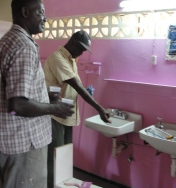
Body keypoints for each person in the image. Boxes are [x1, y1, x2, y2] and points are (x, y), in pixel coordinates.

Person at [0, 0, 75, 188]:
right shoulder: (23, 46)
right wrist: (54, 108)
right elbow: (17, 105)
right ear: (25, 12)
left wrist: (43, 97)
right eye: (40, 12)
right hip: (24, 144)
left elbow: (10, 91)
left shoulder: (7, 41)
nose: (45, 18)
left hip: (10, 140)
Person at [44, 30, 111, 188]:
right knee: (55, 158)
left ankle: (63, 184)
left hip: (67, 115)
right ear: (72, 42)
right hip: (56, 116)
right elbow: (76, 84)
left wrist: (86, 91)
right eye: (81, 48)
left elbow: (76, 86)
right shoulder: (57, 58)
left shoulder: (71, 60)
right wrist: (100, 109)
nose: (82, 52)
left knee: (64, 157)